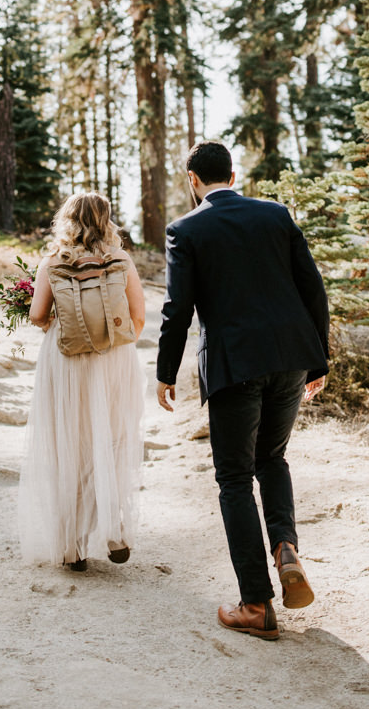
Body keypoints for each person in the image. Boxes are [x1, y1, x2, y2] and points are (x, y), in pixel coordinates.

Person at [156, 140, 329, 640]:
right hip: (292, 357)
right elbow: (312, 287)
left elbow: (178, 309)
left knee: (233, 479)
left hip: (235, 366)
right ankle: (285, 546)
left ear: (193, 180)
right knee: (271, 459)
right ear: (232, 175)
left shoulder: (185, 229)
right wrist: (318, 357)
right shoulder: (276, 214)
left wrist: (166, 372)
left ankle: (256, 603)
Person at [18, 192, 147, 571]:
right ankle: (115, 531)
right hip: (113, 361)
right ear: (107, 220)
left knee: (69, 446)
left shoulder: (53, 261)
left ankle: (73, 547)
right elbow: (138, 318)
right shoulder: (120, 259)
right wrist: (111, 340)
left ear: (67, 220)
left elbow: (39, 315)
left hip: (67, 363)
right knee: (113, 439)